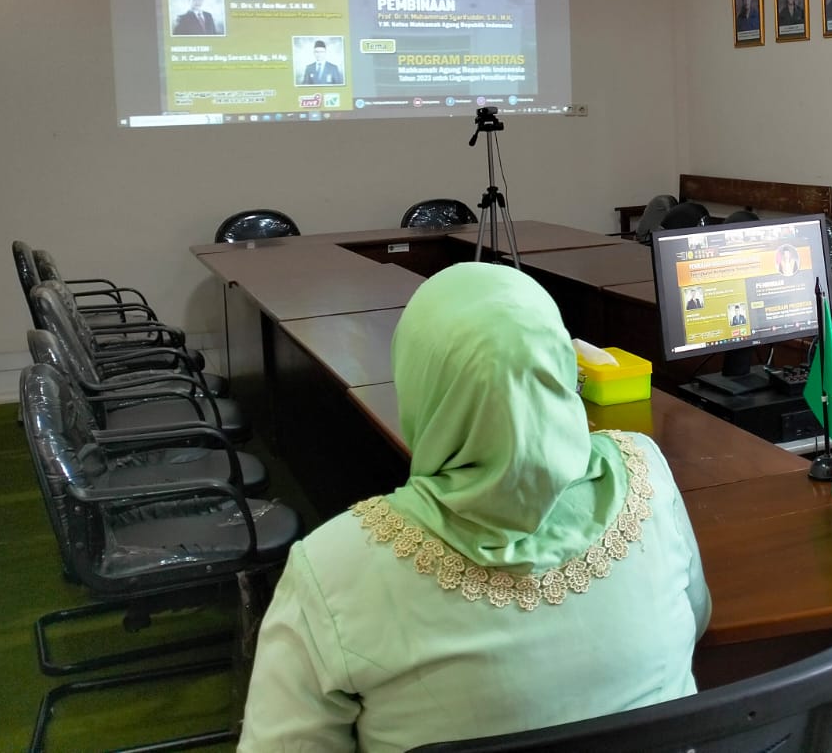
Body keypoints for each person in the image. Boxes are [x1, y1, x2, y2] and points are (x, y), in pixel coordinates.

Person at [238, 263, 710, 753]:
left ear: (418, 387)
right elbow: (697, 617)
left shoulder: (330, 568)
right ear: (563, 370)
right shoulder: (646, 471)